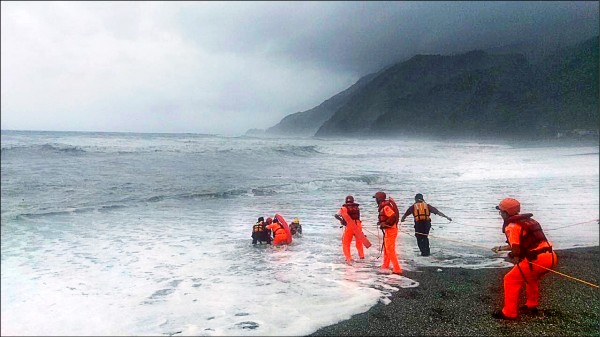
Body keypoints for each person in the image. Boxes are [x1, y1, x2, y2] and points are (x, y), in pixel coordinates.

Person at [491, 197, 557, 320]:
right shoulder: (530, 221)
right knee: (531, 278)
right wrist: (500, 248)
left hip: (537, 260)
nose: (500, 214)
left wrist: (511, 255)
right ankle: (531, 305)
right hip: (551, 256)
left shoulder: (511, 226)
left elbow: (516, 251)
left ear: (506, 213)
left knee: (510, 279)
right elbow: (524, 244)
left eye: (501, 211)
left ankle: (509, 313)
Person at [373, 191, 402, 274]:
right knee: (386, 248)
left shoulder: (386, 207)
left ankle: (397, 269)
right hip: (389, 230)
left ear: (379, 199)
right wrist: (382, 222)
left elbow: (393, 216)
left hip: (391, 230)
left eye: (376, 198)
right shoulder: (384, 206)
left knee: (390, 249)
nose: (375, 200)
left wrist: (385, 223)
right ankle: (385, 265)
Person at [334, 195, 365, 264]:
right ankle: (362, 256)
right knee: (359, 242)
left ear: (346, 201)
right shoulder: (356, 207)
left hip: (350, 226)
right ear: (353, 201)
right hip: (358, 225)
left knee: (346, 243)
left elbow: (336, 215)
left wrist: (342, 220)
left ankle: (349, 258)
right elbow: (358, 217)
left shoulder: (344, 208)